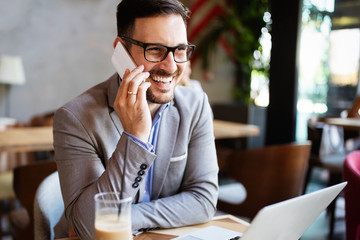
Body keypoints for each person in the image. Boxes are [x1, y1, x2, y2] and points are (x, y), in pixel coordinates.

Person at [52, 0, 219, 239]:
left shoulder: (195, 105)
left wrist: (125, 217)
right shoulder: (74, 118)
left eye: (180, 49)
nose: (171, 66)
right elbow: (88, 227)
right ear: (121, 49)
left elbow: (203, 201)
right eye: (154, 49)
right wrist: (135, 137)